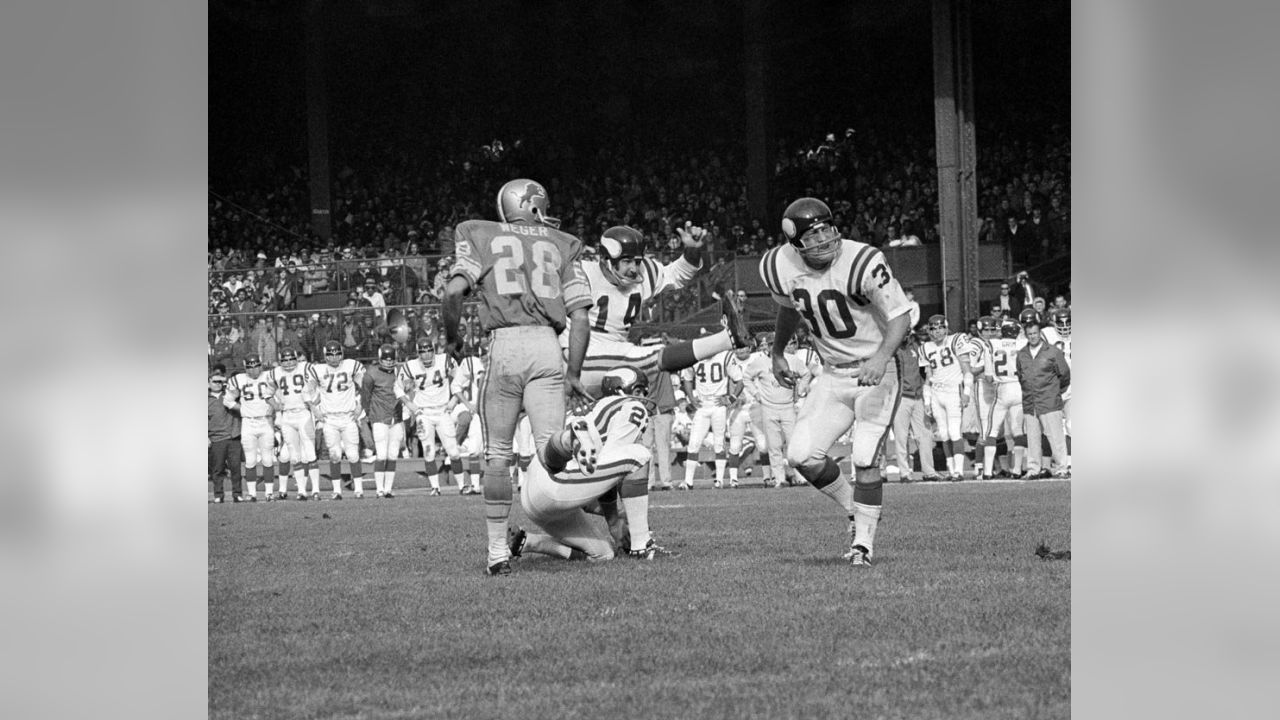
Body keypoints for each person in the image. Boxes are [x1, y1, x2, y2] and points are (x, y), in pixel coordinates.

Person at [441, 178, 594, 576]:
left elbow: (453, 293)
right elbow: (580, 317)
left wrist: (452, 339)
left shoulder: (479, 232)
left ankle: (496, 552)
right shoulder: (562, 242)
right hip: (548, 344)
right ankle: (569, 438)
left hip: (506, 343)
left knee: (497, 455)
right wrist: (573, 372)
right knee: (548, 454)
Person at [759, 197, 912, 565]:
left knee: (863, 456)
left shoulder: (862, 260)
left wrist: (880, 357)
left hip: (876, 370)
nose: (824, 240)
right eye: (812, 236)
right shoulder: (779, 266)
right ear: (795, 244)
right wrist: (778, 351)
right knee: (800, 455)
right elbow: (788, 309)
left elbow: (900, 315)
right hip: (832, 373)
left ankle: (863, 544)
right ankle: (854, 509)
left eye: (827, 229)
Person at [507, 366, 666, 563]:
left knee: (603, 554)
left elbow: (598, 476)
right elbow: (610, 461)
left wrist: (616, 516)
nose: (642, 397)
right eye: (638, 391)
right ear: (619, 390)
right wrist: (615, 522)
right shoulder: (631, 406)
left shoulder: (591, 410)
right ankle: (642, 547)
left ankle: (528, 542)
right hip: (556, 483)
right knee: (639, 455)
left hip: (536, 492)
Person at [577, 225, 750, 396]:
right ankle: (727, 339)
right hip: (581, 356)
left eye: (637, 261)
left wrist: (692, 250)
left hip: (616, 351)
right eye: (627, 261)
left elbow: (678, 274)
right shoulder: (581, 273)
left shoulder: (644, 272)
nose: (634, 269)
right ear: (606, 260)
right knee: (645, 356)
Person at [396, 337, 464, 496]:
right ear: (418, 353)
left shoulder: (445, 360)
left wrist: (455, 398)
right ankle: (435, 487)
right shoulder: (410, 366)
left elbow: (461, 377)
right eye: (422, 352)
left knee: (453, 451)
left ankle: (462, 486)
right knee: (429, 452)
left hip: (442, 412)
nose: (426, 355)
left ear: (433, 350)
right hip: (423, 414)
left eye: (429, 351)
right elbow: (398, 389)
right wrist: (409, 404)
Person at [741, 334, 808, 488]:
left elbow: (805, 374)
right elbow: (746, 378)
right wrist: (757, 394)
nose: (772, 347)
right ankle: (780, 478)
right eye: (770, 344)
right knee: (774, 445)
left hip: (787, 406)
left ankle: (800, 477)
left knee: (793, 443)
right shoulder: (760, 362)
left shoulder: (792, 360)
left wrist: (800, 391)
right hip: (768, 407)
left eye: (775, 344)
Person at [921, 315, 978, 481]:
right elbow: (928, 377)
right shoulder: (925, 347)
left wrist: (966, 392)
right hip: (936, 393)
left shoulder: (956, 340)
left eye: (940, 327)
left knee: (954, 431)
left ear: (946, 328)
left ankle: (959, 471)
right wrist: (927, 400)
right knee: (943, 434)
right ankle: (951, 470)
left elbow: (967, 370)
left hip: (953, 391)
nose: (937, 331)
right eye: (933, 328)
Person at [306, 340, 366, 500]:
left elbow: (365, 386)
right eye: (330, 354)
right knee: (334, 455)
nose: (334, 358)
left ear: (342, 354)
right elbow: (307, 391)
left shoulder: (351, 365)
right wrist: (314, 409)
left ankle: (359, 489)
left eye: (337, 354)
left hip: (348, 417)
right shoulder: (317, 370)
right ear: (325, 355)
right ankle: (337, 490)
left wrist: (360, 405)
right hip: (330, 418)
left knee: (353, 454)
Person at [1015, 316, 1071, 479]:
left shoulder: (1052, 352)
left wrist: (1054, 392)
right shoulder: (1022, 354)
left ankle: (1062, 467)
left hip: (1049, 400)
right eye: (1030, 334)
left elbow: (1065, 375)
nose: (1033, 336)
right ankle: (1033, 468)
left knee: (1055, 436)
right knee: (1032, 438)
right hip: (1030, 401)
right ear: (1026, 335)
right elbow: (1021, 376)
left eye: (1035, 333)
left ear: (1040, 333)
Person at [678, 346, 741, 489]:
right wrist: (691, 398)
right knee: (694, 443)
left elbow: (739, 380)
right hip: (702, 405)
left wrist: (731, 399)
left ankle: (719, 480)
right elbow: (687, 379)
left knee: (719, 443)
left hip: (718, 404)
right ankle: (688, 482)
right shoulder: (693, 358)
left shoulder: (724, 356)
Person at [223, 353, 277, 501]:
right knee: (250, 460)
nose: (254, 370)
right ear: (245, 367)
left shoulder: (269, 376)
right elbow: (227, 400)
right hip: (248, 422)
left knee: (268, 459)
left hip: (266, 421)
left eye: (256, 366)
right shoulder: (238, 379)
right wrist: (243, 410)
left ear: (261, 365)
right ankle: (252, 493)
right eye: (250, 367)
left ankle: (269, 492)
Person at [889, 328, 940, 482]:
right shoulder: (891, 349)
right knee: (901, 436)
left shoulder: (916, 347)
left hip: (917, 396)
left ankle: (929, 471)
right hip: (900, 397)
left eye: (906, 332)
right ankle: (905, 472)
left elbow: (925, 369)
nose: (904, 336)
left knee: (925, 434)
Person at [979, 320, 1028, 478]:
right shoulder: (1023, 344)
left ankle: (987, 472)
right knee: (1018, 431)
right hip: (1019, 388)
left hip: (1003, 389)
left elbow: (987, 377)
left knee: (992, 431)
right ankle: (1017, 470)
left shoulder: (992, 344)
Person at [272, 347, 321, 500]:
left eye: (291, 359)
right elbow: (266, 393)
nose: (288, 363)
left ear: (296, 358)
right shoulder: (274, 373)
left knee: (310, 452)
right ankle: (301, 491)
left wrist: (314, 401)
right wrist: (275, 405)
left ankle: (316, 490)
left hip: (303, 413)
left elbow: (322, 383)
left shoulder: (307, 367)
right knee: (294, 456)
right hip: (287, 415)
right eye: (284, 360)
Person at [361, 344, 404, 498]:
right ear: (380, 359)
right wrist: (367, 413)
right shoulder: (371, 374)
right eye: (385, 360)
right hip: (379, 416)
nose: (389, 362)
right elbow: (365, 396)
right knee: (382, 454)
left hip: (396, 417)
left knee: (393, 454)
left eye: (391, 359)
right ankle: (379, 489)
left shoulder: (400, 371)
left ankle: (388, 489)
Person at [450, 349, 487, 495]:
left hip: (496, 412)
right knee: (474, 450)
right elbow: (455, 386)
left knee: (509, 449)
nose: (486, 358)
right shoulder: (471, 363)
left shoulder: (504, 362)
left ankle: (510, 482)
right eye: (484, 355)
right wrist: (468, 404)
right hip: (477, 411)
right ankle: (476, 486)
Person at [208, 370, 244, 503]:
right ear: (208, 383)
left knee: (236, 468)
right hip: (216, 438)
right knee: (217, 469)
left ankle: (237, 493)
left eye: (221, 382)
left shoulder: (230, 396)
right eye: (215, 381)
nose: (218, 384)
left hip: (233, 437)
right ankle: (218, 495)